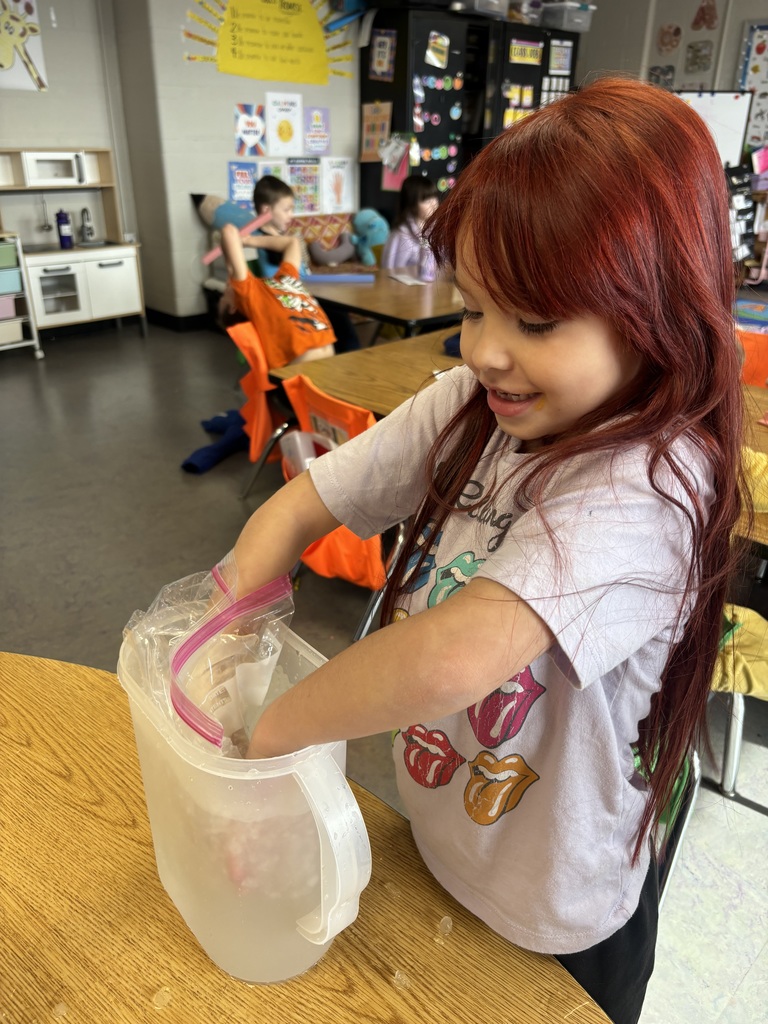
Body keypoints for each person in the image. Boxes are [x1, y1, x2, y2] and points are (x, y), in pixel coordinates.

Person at [225, 79, 745, 1024]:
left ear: (660, 311)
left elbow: (455, 657)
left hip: (560, 915)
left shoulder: (652, 485)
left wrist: (272, 734)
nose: (487, 351)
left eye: (535, 322)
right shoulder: (474, 407)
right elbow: (297, 507)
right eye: (473, 308)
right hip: (440, 844)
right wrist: (221, 635)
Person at [249, 174, 361, 352]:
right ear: (266, 211)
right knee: (340, 318)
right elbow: (287, 279)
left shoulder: (273, 236)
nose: (291, 215)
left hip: (303, 291)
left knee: (343, 301)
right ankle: (348, 358)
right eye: (286, 210)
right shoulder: (266, 240)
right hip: (292, 300)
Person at [218, 223, 335, 369]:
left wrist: (249, 241)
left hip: (327, 360)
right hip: (303, 367)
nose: (225, 287)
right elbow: (229, 231)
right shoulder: (249, 293)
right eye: (223, 296)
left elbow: (292, 242)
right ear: (234, 306)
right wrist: (234, 258)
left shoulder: (283, 280)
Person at [381, 174, 439, 281]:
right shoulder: (401, 235)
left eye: (434, 197)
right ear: (412, 203)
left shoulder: (436, 230)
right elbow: (390, 272)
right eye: (426, 200)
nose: (433, 204)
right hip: (405, 291)